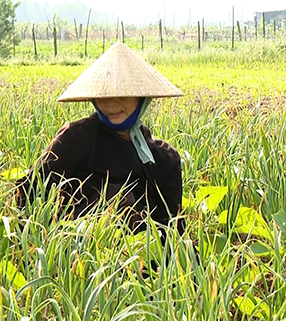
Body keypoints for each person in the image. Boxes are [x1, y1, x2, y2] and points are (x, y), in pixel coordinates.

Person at [16, 42, 185, 239]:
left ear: (141, 98)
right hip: (79, 255)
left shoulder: (163, 158)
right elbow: (28, 195)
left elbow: (174, 226)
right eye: (103, 95)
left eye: (121, 94)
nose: (111, 103)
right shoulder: (76, 139)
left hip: (144, 261)